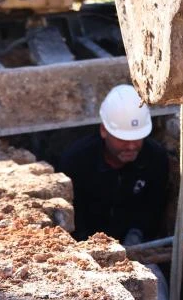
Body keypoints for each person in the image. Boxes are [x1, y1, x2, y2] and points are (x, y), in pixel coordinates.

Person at [59, 85, 169, 246]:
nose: (131, 146)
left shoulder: (154, 158)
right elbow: (71, 212)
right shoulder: (76, 161)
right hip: (85, 246)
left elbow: (155, 205)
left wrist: (138, 233)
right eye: (123, 139)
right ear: (104, 130)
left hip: (136, 246)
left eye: (137, 138)